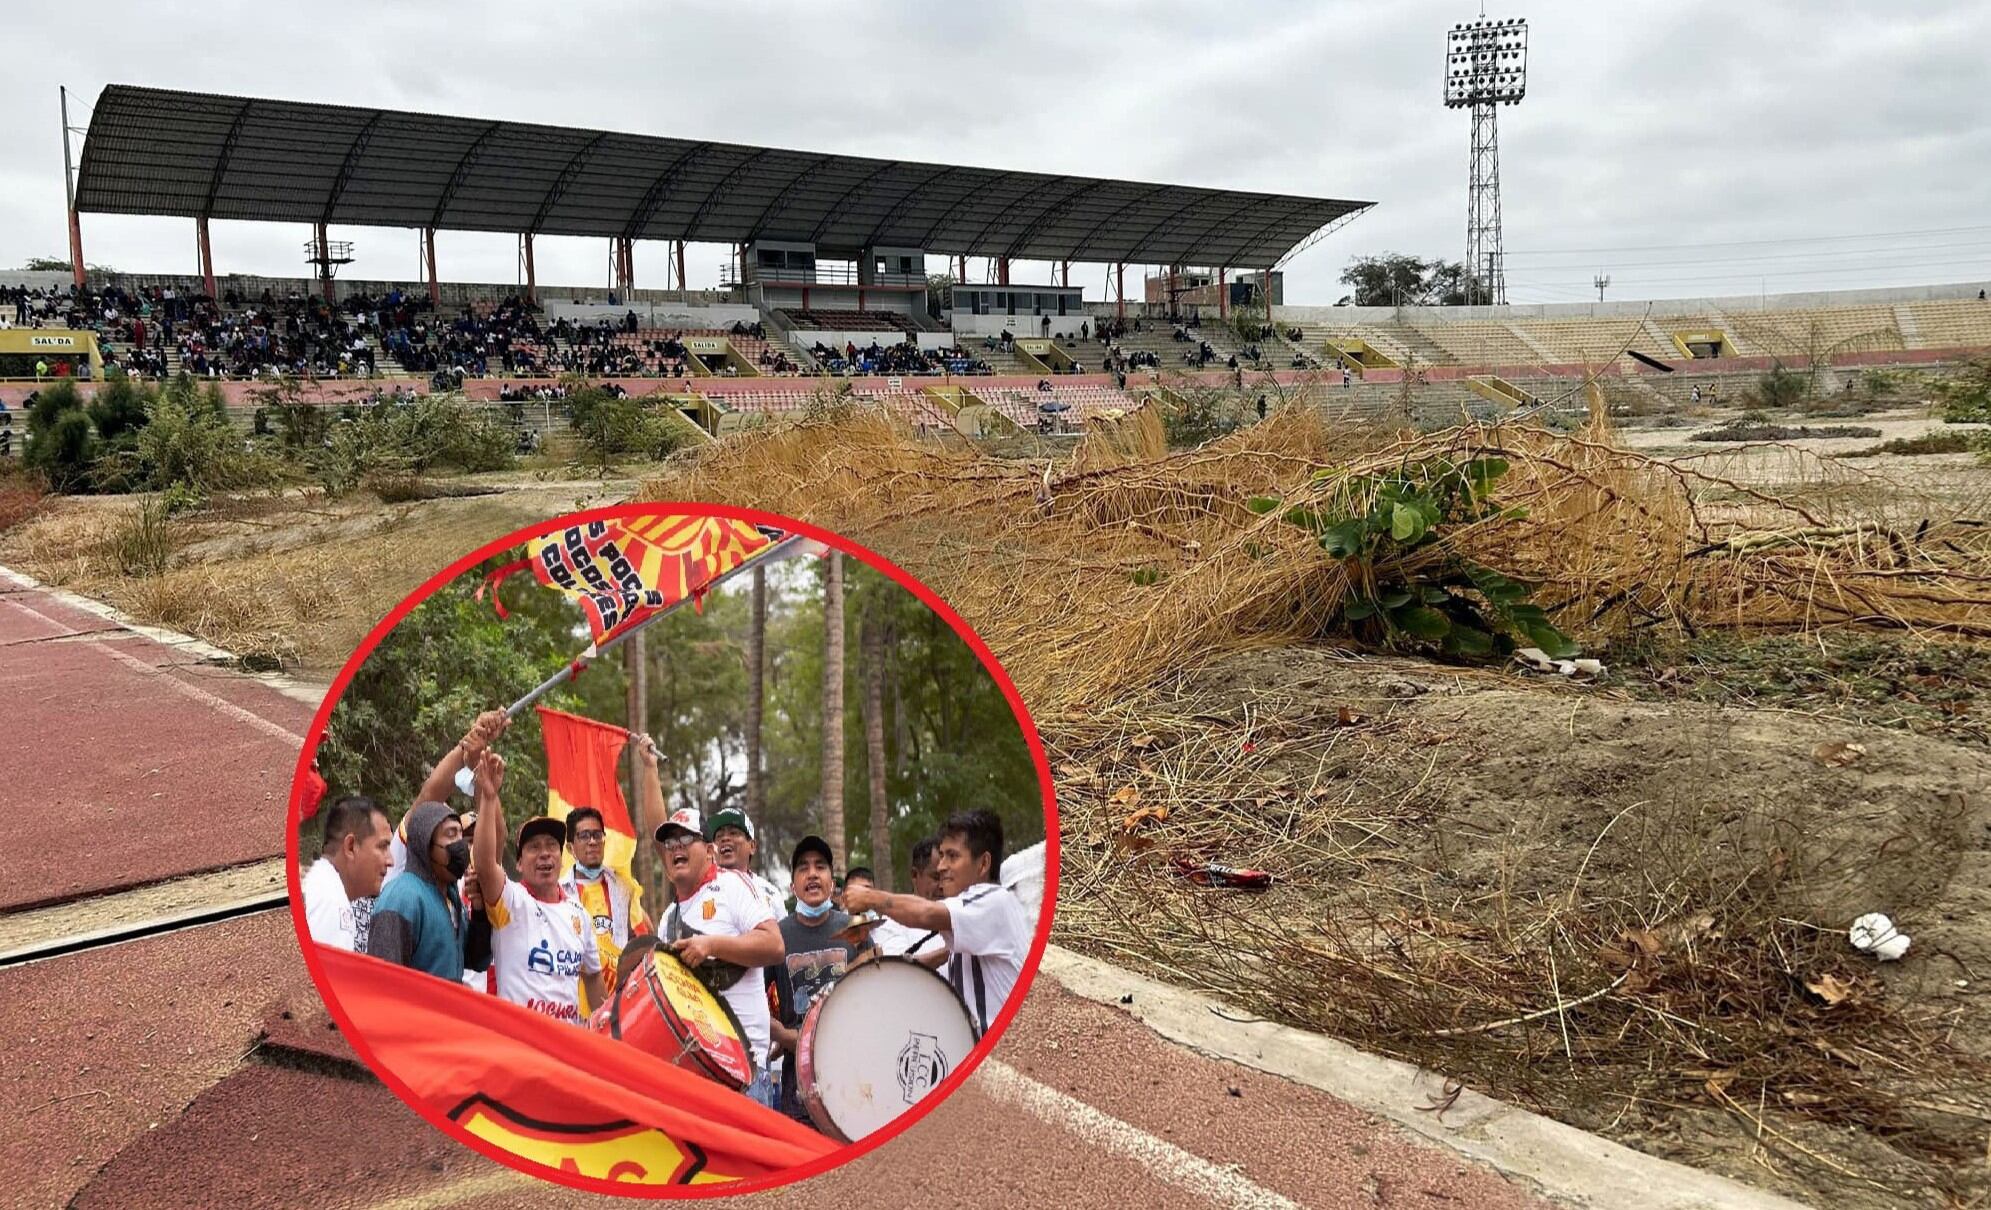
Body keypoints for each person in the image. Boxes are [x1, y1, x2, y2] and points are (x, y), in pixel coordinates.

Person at [648, 759, 784, 1105]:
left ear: (709, 851)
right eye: (670, 843)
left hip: (746, 1075)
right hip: (698, 1075)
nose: (675, 847)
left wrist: (711, 944)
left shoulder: (733, 885)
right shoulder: (669, 919)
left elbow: (773, 944)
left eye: (686, 839)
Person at [843, 810, 1030, 1035]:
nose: (941, 866)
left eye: (952, 856)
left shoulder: (993, 901)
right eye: (941, 855)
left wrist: (870, 897)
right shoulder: (979, 915)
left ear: (983, 864)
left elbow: (926, 914)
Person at [471, 750, 605, 1023]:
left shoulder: (578, 913)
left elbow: (592, 975)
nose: (544, 854)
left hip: (567, 1047)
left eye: (551, 846)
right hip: (521, 1047)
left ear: (561, 856)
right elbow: (484, 864)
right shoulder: (510, 901)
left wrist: (606, 1026)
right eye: (533, 848)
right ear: (519, 864)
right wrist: (488, 797)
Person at [771, 835, 868, 1124]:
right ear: (792, 886)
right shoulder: (776, 937)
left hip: (853, 1081)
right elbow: (754, 999)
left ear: (833, 882)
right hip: (797, 1090)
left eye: (820, 866)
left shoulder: (856, 929)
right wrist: (776, 1032)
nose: (812, 873)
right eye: (803, 867)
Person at [559, 794, 652, 1010]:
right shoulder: (558, 891)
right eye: (583, 836)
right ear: (570, 847)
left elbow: (641, 939)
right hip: (572, 1002)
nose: (592, 841)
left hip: (616, 1004)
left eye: (596, 835)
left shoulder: (623, 888)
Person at [366, 798, 470, 980]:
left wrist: (480, 910)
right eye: (450, 834)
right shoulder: (402, 898)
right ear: (426, 843)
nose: (460, 844)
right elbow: (382, 981)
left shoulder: (452, 896)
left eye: (461, 835)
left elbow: (474, 959)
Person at [302, 796, 393, 951]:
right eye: (382, 847)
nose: (390, 861)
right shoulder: (330, 900)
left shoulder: (325, 887)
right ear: (350, 847)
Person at [866, 837, 948, 965]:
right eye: (936, 877)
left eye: (947, 877)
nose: (942, 886)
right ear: (915, 875)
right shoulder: (892, 924)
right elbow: (898, 970)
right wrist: (951, 951)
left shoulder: (960, 917)